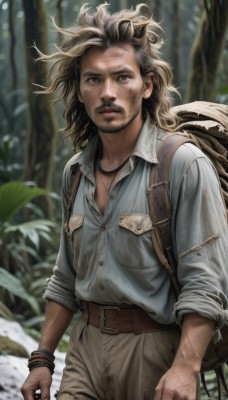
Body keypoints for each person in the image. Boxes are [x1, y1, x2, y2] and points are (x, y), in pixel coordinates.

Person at [21, 3, 228, 400]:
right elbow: (65, 277)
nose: (108, 93)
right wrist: (42, 359)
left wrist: (186, 367)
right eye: (94, 80)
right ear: (80, 90)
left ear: (146, 85)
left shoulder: (181, 164)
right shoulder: (75, 173)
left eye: (122, 77)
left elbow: (206, 281)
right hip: (84, 349)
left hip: (154, 352)